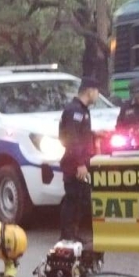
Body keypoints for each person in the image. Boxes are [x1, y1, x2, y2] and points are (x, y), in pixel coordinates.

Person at [58, 78, 99, 243]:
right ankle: (67, 235)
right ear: (89, 91)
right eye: (96, 91)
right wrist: (80, 164)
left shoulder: (82, 110)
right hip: (74, 164)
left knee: (80, 198)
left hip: (80, 162)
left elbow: (80, 135)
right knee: (73, 199)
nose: (97, 95)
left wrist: (95, 134)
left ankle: (72, 233)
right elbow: (72, 139)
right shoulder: (74, 111)